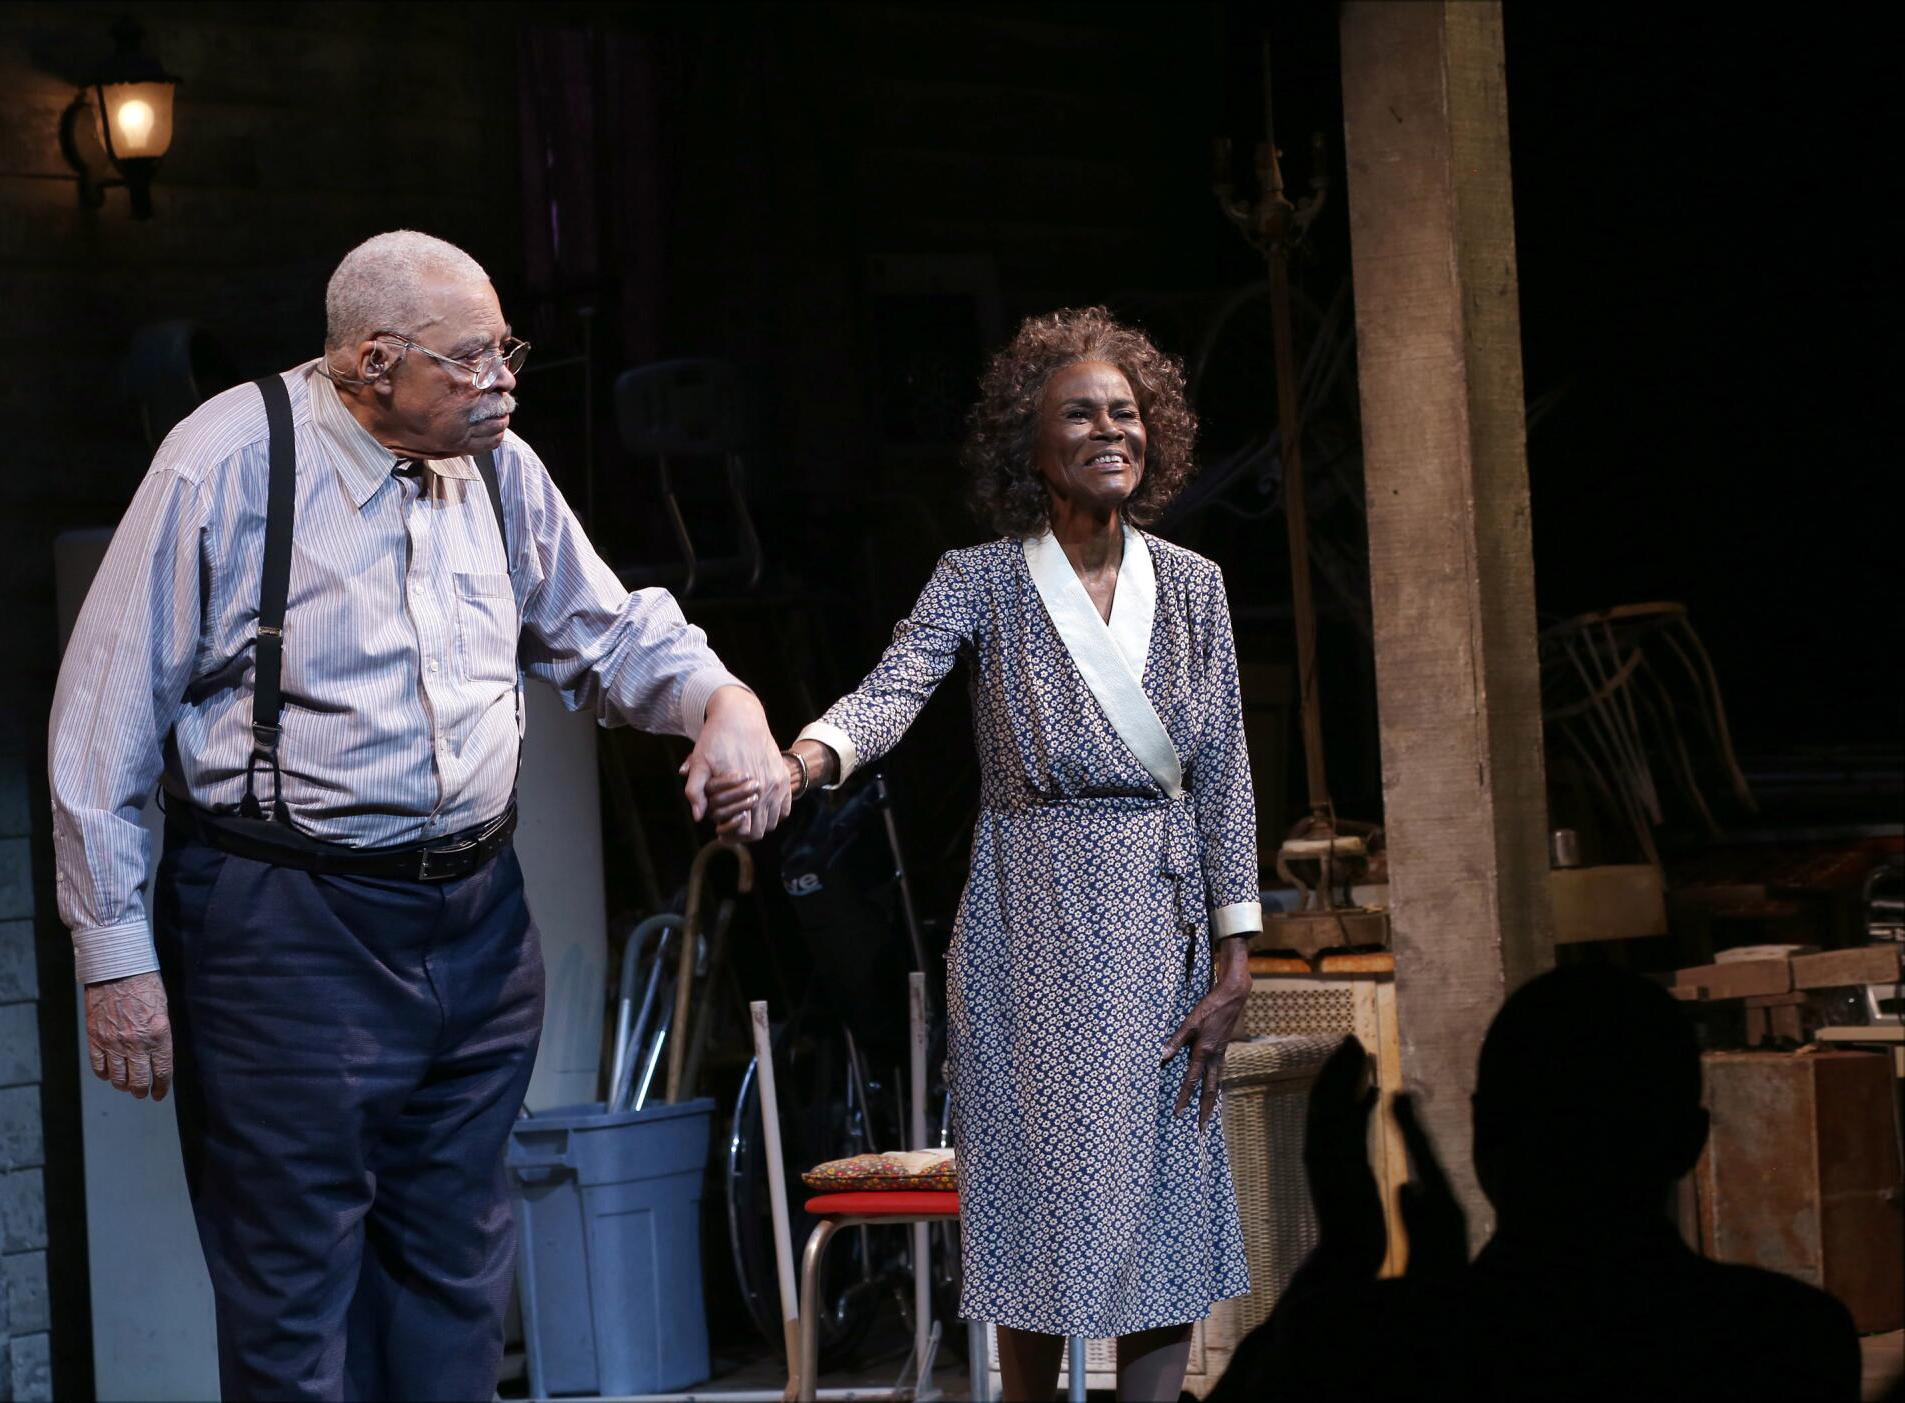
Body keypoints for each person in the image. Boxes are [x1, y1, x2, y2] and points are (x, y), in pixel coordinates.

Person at [49, 230, 789, 1401]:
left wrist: (722, 701)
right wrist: (114, 953)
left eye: (508, 350)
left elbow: (605, 631)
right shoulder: (228, 463)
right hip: (286, 923)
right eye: (471, 358)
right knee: (294, 1294)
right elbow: (101, 725)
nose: (503, 379)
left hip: (475, 920)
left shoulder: (495, 462)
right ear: (372, 362)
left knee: (451, 1275)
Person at [772, 307, 1260, 1403]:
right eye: (1078, 414)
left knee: (1159, 1190)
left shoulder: (1192, 587)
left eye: (1124, 413)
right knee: (1033, 1186)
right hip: (1027, 911)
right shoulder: (979, 578)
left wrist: (1236, 953)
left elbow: (1222, 766)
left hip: (1158, 909)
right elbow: (894, 688)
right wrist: (807, 759)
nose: (1108, 430)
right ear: (1029, 448)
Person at [1217, 965, 1862, 1403]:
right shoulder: (1793, 1343)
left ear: (1482, 1136)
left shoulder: (1379, 1353)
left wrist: (1343, 1259)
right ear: (1689, 1142)